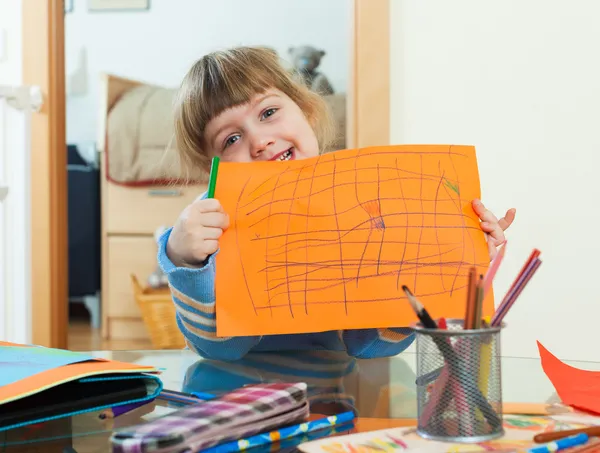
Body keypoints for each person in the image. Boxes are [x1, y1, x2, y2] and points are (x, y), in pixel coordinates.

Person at [157, 46, 516, 361]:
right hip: (234, 398)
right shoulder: (208, 223)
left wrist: (461, 248)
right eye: (232, 138)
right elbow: (222, 349)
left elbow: (371, 347)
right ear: (213, 168)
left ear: (307, 111)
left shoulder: (358, 199)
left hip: (337, 395)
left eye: (268, 113)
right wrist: (183, 258)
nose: (261, 141)